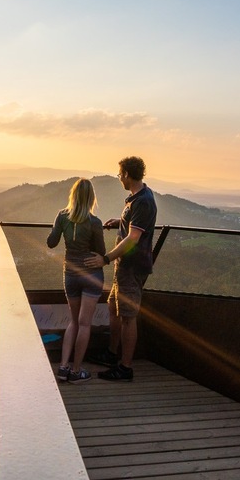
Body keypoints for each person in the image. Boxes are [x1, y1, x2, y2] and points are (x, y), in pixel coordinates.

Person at [85, 156, 157, 381]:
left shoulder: (143, 201)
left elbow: (133, 239)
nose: (119, 179)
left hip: (132, 267)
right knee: (114, 309)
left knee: (127, 316)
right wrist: (121, 222)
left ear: (127, 174)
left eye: (119, 174)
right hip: (124, 266)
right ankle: (111, 353)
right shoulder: (137, 198)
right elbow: (135, 227)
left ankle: (125, 368)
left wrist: (105, 259)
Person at [46, 178, 107, 384]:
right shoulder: (94, 222)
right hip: (91, 274)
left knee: (73, 321)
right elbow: (101, 252)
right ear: (91, 198)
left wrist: (58, 227)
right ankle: (77, 371)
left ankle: (63, 367)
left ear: (72, 196)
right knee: (85, 324)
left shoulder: (62, 216)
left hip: (70, 274)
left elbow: (51, 242)